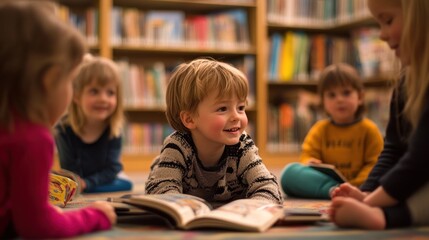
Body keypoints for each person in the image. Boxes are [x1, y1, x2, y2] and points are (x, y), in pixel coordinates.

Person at [0, 1, 116, 238]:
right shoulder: (32, 137)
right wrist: (96, 215)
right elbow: (37, 226)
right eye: (71, 82)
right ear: (50, 80)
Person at [329, 0, 429, 229]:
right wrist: (366, 191)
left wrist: (370, 205)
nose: (382, 35)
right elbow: (394, 148)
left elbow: (421, 160)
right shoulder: (407, 80)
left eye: (388, 21)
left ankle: (389, 217)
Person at [145, 58, 283, 207]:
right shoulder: (178, 146)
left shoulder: (243, 146)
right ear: (189, 119)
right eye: (222, 109)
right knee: (160, 174)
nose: (236, 116)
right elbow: (161, 190)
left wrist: (252, 208)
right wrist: (184, 206)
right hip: (167, 172)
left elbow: (269, 187)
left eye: (241, 108)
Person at [280, 63, 384, 199]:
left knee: (382, 177)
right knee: (289, 173)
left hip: (361, 186)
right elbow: (308, 155)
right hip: (328, 183)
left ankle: (341, 192)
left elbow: (374, 164)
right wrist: (310, 162)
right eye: (331, 95)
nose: (339, 99)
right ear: (323, 101)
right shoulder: (320, 129)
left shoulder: (369, 129)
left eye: (346, 93)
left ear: (360, 97)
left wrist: (355, 185)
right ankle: (334, 191)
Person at [55, 54, 133, 193]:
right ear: (77, 96)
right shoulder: (63, 130)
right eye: (94, 91)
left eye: (110, 93)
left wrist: (87, 184)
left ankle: (88, 188)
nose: (103, 99)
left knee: (126, 184)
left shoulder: (114, 130)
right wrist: (78, 183)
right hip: (79, 181)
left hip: (103, 180)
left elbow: (112, 169)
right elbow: (69, 170)